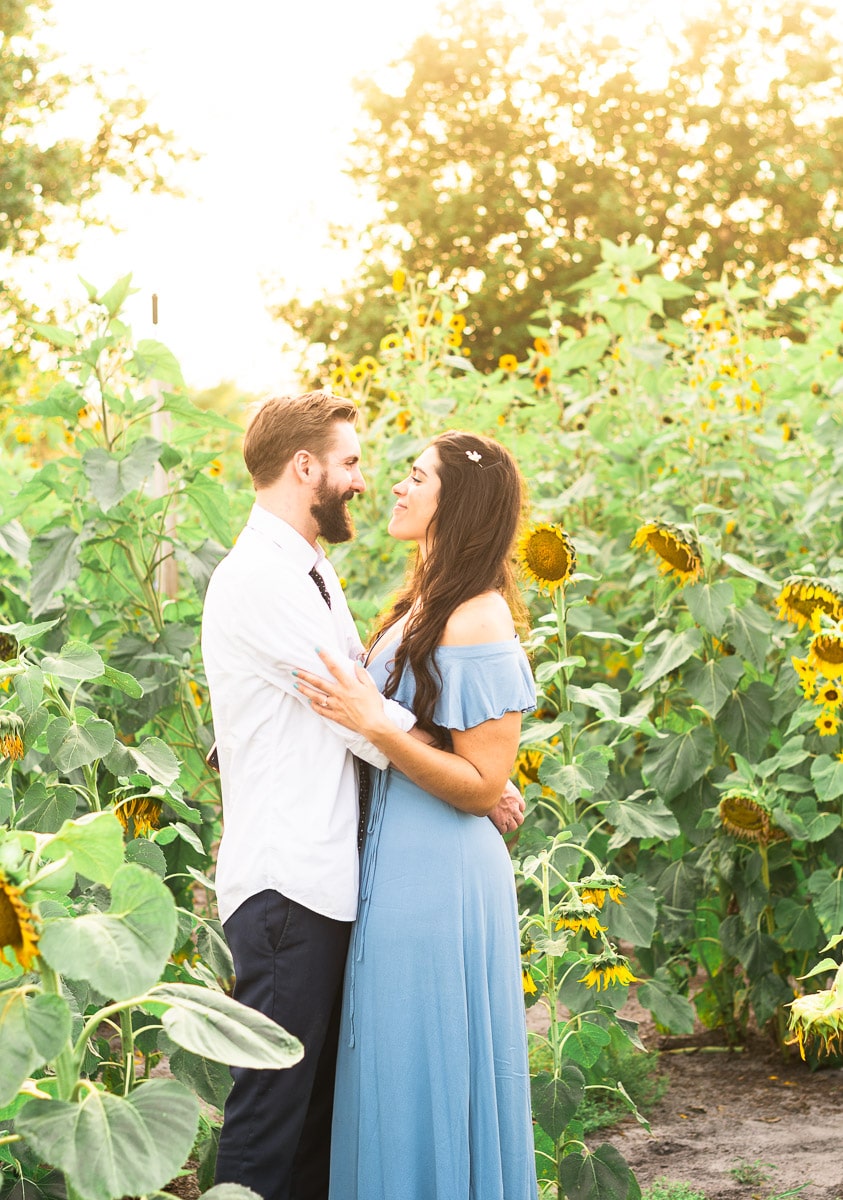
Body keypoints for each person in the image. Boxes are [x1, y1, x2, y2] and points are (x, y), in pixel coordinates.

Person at [201, 394, 525, 1200]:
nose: (365, 482)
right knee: (273, 1113)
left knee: (313, 1117)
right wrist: (475, 776)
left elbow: (374, 706)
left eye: (407, 473)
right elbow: (356, 713)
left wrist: (476, 768)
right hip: (288, 880)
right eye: (351, 463)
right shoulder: (263, 579)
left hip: (339, 876)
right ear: (304, 467)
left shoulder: (312, 572)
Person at [293, 430, 539, 1200]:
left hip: (438, 878)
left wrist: (377, 727)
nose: (395, 489)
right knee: (393, 1070)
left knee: (421, 1069)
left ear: (455, 502)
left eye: (415, 478)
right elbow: (441, 741)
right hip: (398, 859)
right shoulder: (427, 603)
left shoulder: (477, 616)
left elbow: (479, 781)